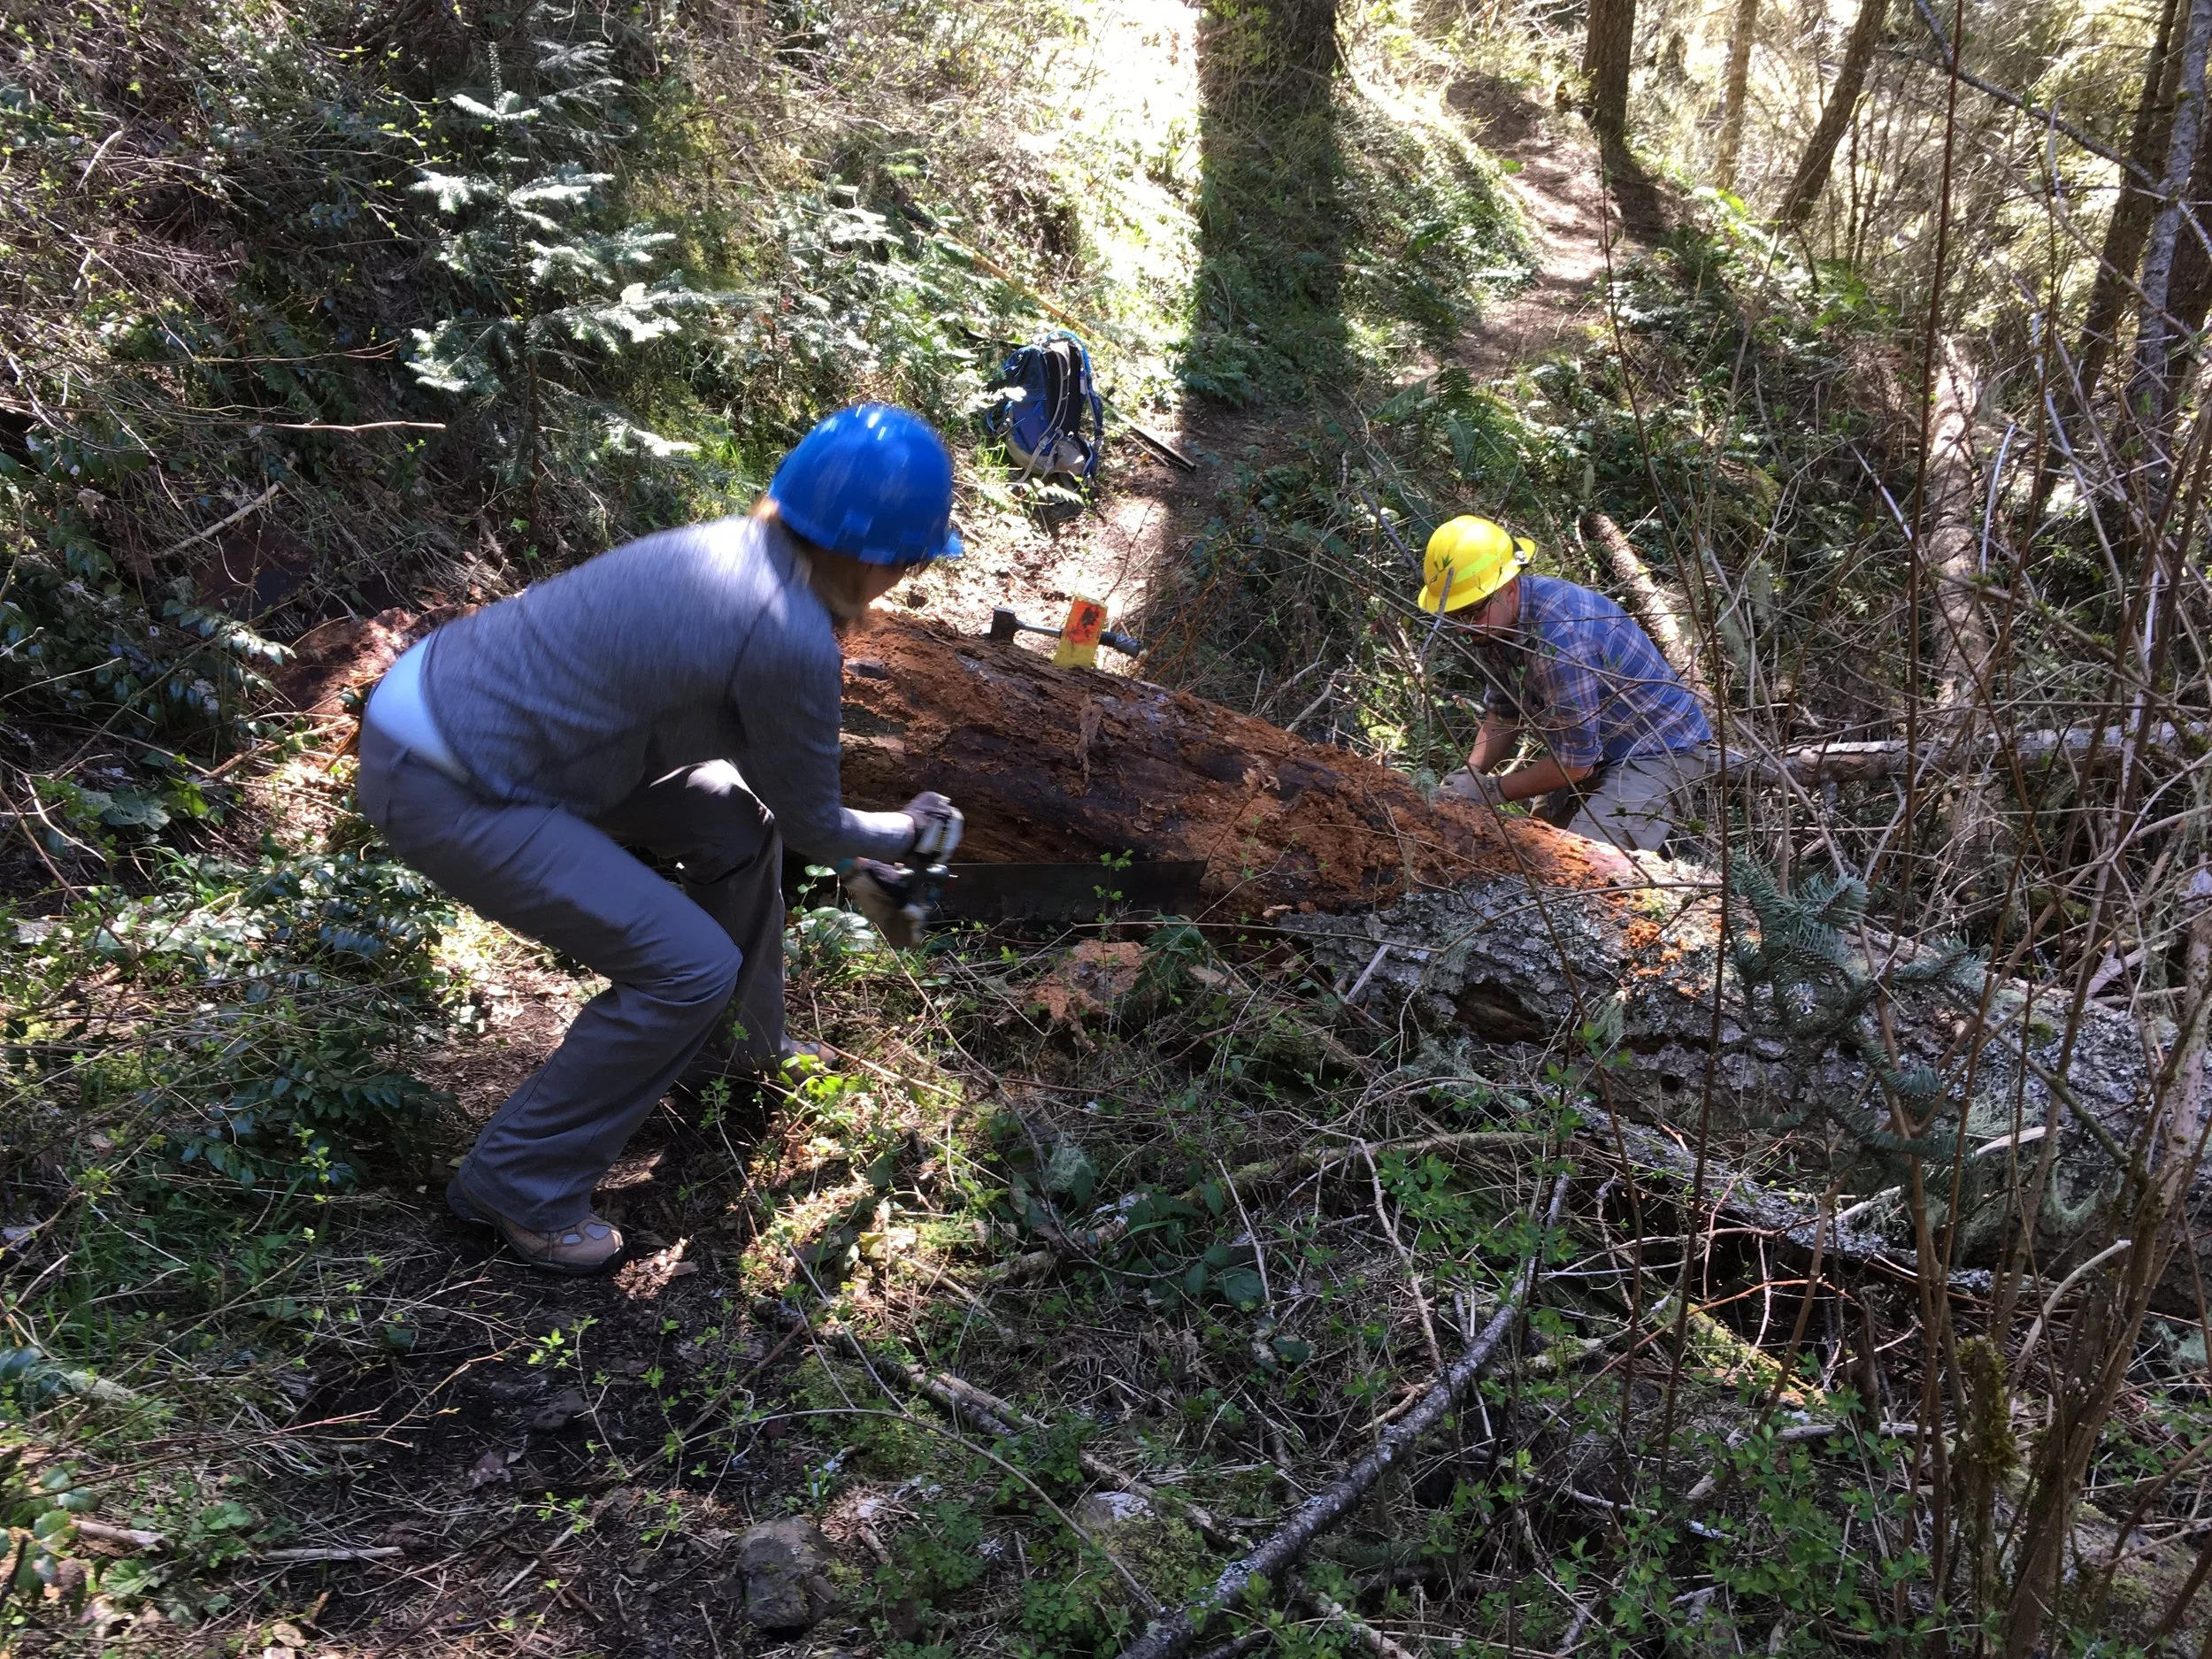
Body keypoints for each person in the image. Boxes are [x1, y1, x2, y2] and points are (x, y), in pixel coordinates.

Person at [355, 403, 967, 1274]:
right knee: (687, 968)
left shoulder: (739, 550)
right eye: (908, 562)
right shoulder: (787, 633)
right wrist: (907, 832)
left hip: (476, 715)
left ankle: (738, 1052)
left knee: (734, 825)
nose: (903, 579)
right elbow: (817, 827)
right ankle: (518, 1183)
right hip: (449, 778)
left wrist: (866, 840)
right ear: (877, 557)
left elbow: (777, 810)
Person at [1422, 515, 1715, 854]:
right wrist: (1471, 773)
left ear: (1509, 587)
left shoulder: (1561, 640)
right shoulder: (1493, 628)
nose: (1463, 628)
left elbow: (1577, 763)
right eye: (1453, 616)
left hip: (1658, 748)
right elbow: (1504, 713)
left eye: (1471, 612)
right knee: (1534, 847)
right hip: (1591, 744)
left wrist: (1494, 791)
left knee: (1583, 864)